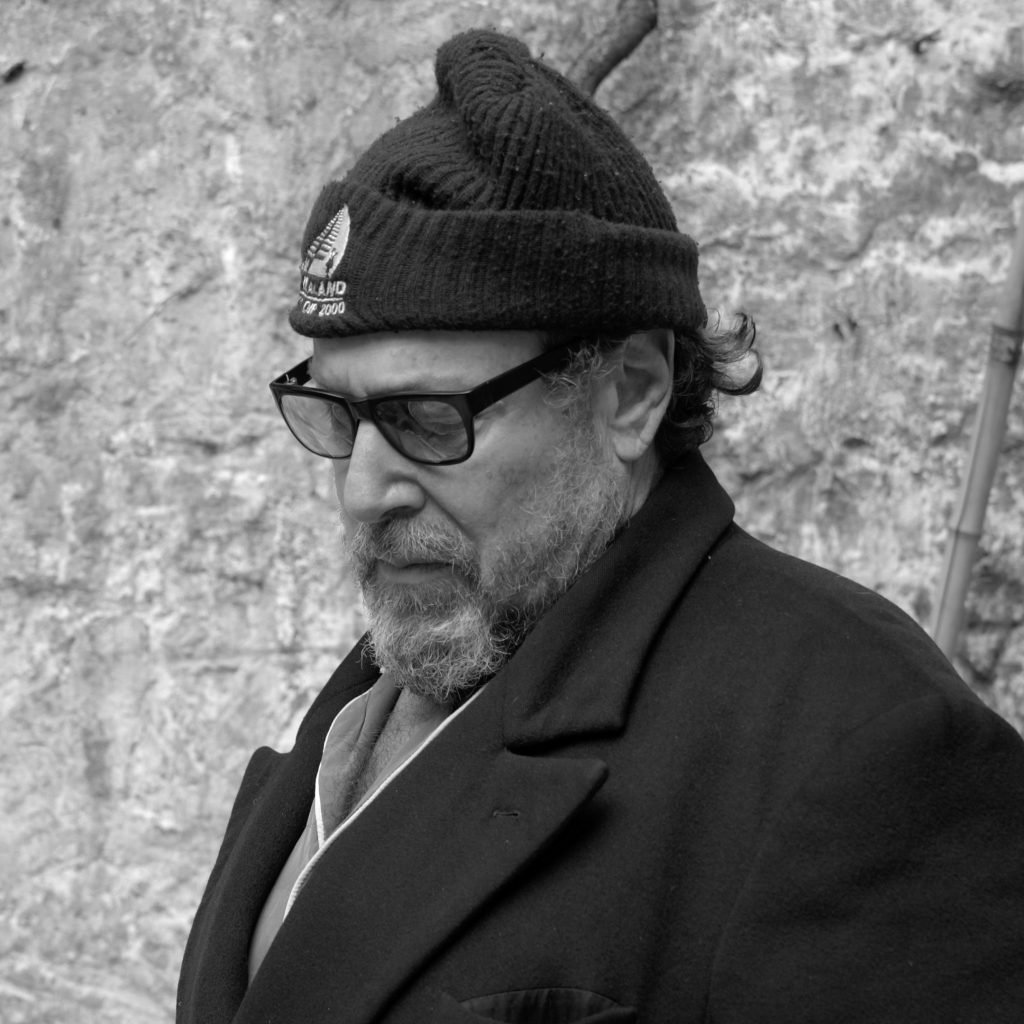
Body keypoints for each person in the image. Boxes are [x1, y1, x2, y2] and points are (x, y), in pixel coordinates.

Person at [177, 29, 1024, 1024]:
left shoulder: (859, 754)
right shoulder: (414, 665)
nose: (365, 489)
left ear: (628, 392)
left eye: (423, 419)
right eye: (342, 414)